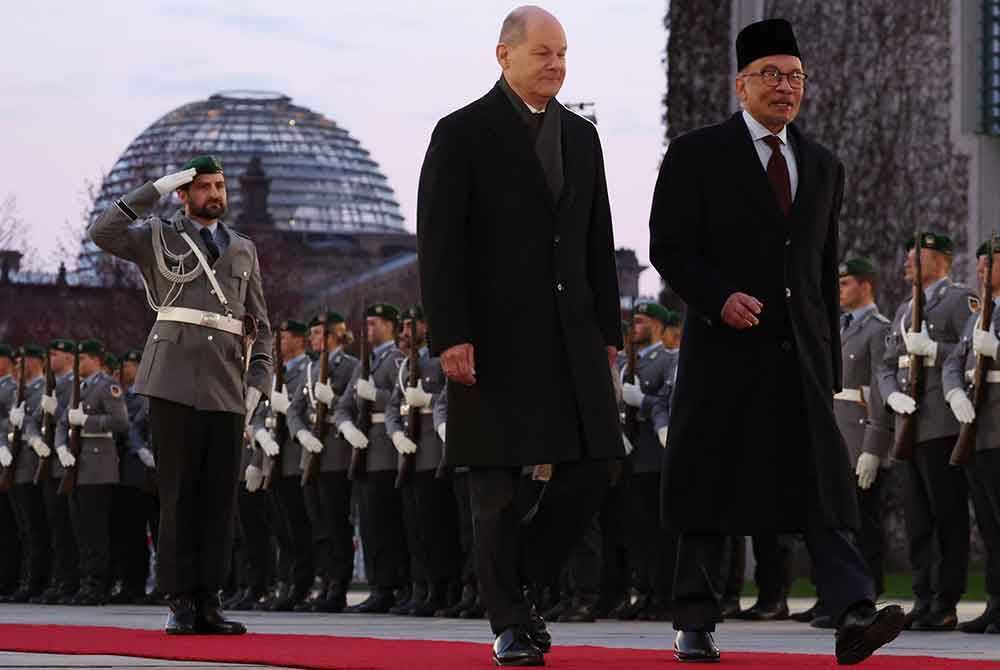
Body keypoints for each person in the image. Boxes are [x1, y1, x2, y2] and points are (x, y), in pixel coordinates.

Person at [648, 18, 904, 664]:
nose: (786, 87)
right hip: (726, 353)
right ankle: (696, 620)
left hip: (799, 359)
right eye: (772, 75)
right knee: (711, 487)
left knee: (823, 488)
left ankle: (853, 614)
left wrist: (823, 339)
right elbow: (669, 248)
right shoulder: (696, 154)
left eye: (795, 77)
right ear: (742, 84)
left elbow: (822, 269)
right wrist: (716, 298)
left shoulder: (821, 165)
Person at [416, 6, 623, 665]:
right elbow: (440, 244)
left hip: (573, 336)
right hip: (492, 340)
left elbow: (597, 239)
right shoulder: (462, 132)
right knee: (496, 487)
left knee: (596, 467)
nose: (556, 64)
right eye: (543, 53)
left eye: (562, 54)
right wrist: (450, 333)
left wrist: (610, 333)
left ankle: (520, 580)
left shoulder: (582, 137)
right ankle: (508, 620)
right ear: (503, 56)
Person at [88, 155, 273, 635]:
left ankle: (210, 600)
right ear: (184, 194)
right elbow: (102, 233)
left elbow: (261, 326)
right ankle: (179, 602)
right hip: (172, 378)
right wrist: (154, 187)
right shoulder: (157, 236)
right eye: (205, 186)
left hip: (228, 386)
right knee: (178, 496)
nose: (216, 194)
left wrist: (258, 385)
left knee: (218, 500)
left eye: (220, 186)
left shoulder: (244, 249)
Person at [878, 232, 976, 631]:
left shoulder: (958, 299)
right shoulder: (903, 309)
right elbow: (886, 365)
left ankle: (946, 601)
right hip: (909, 425)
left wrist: (934, 351)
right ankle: (923, 597)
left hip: (941, 424)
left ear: (940, 259)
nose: (906, 264)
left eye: (915, 256)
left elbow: (971, 352)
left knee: (947, 515)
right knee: (917, 519)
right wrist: (891, 398)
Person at [386, 305, 461, 617]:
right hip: (411, 454)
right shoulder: (406, 365)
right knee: (416, 527)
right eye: (403, 325)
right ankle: (424, 587)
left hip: (434, 452)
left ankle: (443, 589)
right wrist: (395, 435)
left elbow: (450, 397)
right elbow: (393, 406)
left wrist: (428, 401)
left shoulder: (439, 359)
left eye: (410, 325)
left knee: (436, 526)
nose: (405, 331)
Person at [942, 237, 1000, 634]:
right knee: (989, 525)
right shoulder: (975, 315)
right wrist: (953, 391)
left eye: (989, 264)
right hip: (976, 430)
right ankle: (996, 602)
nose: (980, 271)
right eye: (979, 265)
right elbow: (953, 361)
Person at [334, 303, 408, 614]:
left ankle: (394, 586)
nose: (369, 330)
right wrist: (347, 428)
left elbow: (403, 400)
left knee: (390, 524)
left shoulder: (399, 359)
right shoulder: (365, 363)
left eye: (375, 324)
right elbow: (343, 406)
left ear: (392, 325)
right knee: (370, 526)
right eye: (366, 325)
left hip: (390, 452)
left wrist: (374, 395)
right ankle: (379, 586)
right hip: (364, 450)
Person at [290, 311, 359, 613]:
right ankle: (325, 580)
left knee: (336, 524)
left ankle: (338, 586)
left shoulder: (352, 366)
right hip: (310, 452)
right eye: (313, 334)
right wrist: (301, 434)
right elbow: (294, 409)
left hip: (335, 452)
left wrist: (333, 399)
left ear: (336, 335)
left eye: (320, 334)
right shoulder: (308, 369)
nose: (314, 339)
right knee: (318, 525)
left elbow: (355, 404)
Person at [54, 338, 128, 605]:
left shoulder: (107, 386)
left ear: (96, 359)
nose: (78, 364)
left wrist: (87, 421)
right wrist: (61, 447)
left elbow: (120, 422)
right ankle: (86, 582)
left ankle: (98, 585)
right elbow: (63, 422)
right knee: (81, 531)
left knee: (96, 532)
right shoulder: (80, 388)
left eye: (82, 358)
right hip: (76, 468)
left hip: (98, 468)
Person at [615, 302, 674, 622]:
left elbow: (669, 402)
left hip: (656, 455)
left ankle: (663, 594)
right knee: (636, 532)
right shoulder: (625, 364)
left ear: (658, 326)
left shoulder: (669, 360)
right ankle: (645, 590)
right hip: (631, 456)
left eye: (641, 321)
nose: (634, 326)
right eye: (632, 321)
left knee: (658, 531)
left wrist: (644, 402)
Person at [260, 319, 314, 612]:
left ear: (297, 340)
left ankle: (301, 584)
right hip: (273, 458)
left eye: (281, 338)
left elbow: (303, 407)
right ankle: (286, 581)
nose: (275, 344)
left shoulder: (307, 369)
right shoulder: (272, 373)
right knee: (280, 527)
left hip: (295, 457)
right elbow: (259, 411)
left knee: (298, 525)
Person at [27, 338, 80, 605]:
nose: (51, 358)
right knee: (55, 528)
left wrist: (55, 410)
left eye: (56, 353)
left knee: (71, 528)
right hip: (47, 464)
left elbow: (66, 418)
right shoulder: (53, 386)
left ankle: (72, 581)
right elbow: (33, 420)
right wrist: (35, 440)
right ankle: (60, 580)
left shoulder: (74, 384)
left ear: (70, 357)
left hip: (67, 464)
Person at [3, 346, 51, 603]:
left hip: (35, 465)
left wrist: (30, 435)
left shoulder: (42, 387)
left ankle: (37, 580)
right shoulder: (22, 389)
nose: (19, 364)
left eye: (24, 360)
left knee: (36, 528)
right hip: (18, 464)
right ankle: (26, 579)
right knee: (24, 529)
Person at [110, 348, 158, 604]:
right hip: (129, 472)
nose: (126, 370)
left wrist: (142, 449)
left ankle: (161, 586)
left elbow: (133, 427)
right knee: (131, 533)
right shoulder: (126, 395)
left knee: (158, 530)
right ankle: (133, 584)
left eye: (130, 365)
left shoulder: (147, 395)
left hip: (150, 474)